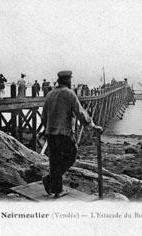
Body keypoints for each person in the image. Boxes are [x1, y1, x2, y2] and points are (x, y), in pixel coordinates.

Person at [41, 70, 102, 198]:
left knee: (54, 160)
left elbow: (43, 117)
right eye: (70, 80)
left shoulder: (49, 94)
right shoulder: (69, 94)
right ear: (67, 80)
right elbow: (81, 113)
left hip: (50, 133)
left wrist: (47, 130)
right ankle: (51, 181)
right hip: (64, 133)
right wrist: (92, 125)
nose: (71, 82)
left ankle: (56, 188)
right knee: (71, 157)